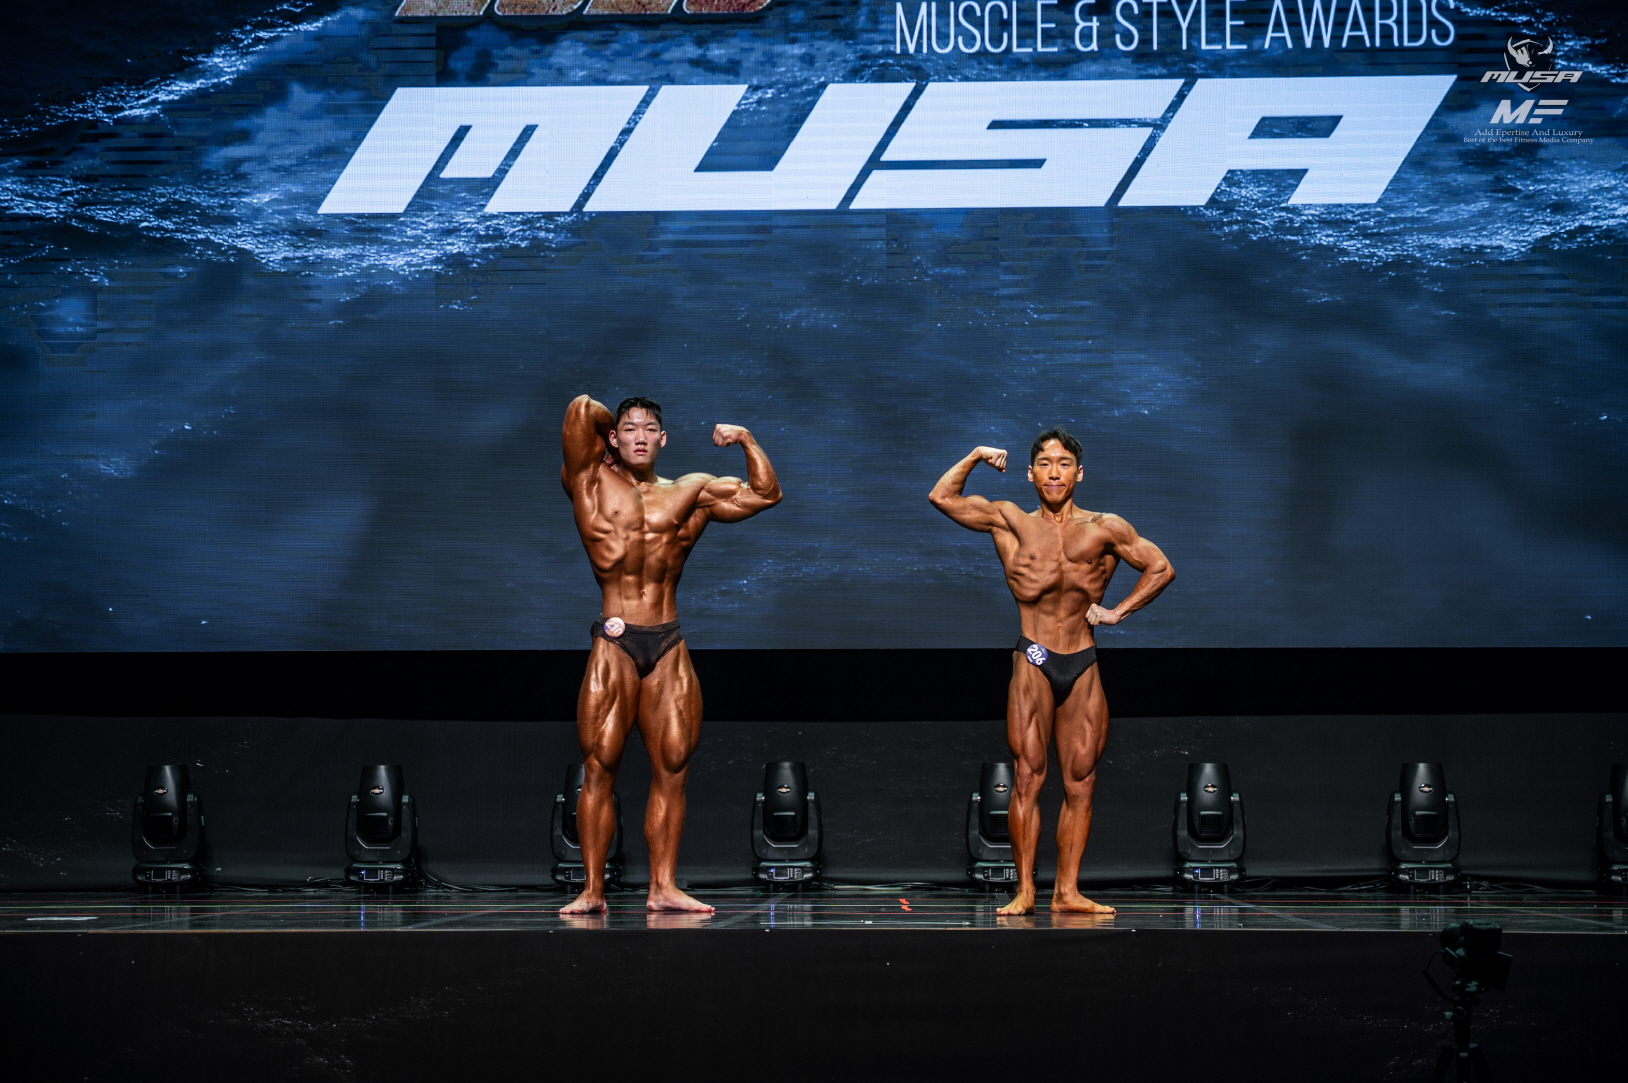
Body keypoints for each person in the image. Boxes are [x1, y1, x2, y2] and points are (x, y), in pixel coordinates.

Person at [929, 429, 1174, 914]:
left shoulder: (1105, 527)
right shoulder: (1010, 521)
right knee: (1028, 776)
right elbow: (942, 497)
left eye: (1063, 464)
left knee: (1081, 780)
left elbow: (1160, 567)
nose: (1054, 472)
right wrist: (975, 454)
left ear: (1079, 473)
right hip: (1035, 658)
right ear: (1030, 473)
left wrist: (1117, 612)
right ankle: (1025, 890)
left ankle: (1067, 891)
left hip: (1082, 660)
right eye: (1044, 463)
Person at [560, 395, 782, 914]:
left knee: (674, 766)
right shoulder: (589, 480)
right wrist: (609, 434)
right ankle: (592, 891)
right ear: (612, 437)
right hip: (614, 641)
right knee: (600, 766)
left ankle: (663, 887)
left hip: (666, 641)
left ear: (663, 440)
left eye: (649, 429)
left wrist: (746, 439)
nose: (639, 436)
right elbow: (581, 409)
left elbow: (766, 494)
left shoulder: (690, 491)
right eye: (629, 428)